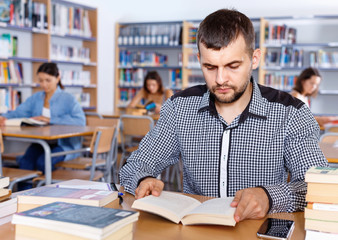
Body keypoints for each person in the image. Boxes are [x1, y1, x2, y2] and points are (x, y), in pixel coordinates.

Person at [119, 9, 327, 223]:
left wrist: (270, 197)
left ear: (254, 59)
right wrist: (143, 178)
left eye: (232, 66)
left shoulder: (291, 113)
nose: (220, 79)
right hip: (195, 234)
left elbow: (318, 187)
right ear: (199, 59)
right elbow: (137, 163)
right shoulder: (178, 108)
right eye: (210, 67)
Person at [0, 62, 85, 173]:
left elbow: (80, 121)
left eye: (48, 80)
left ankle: (48, 189)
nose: (44, 84)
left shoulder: (69, 99)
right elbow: (19, 112)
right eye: (41, 80)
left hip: (64, 145)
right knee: (26, 162)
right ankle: (26, 191)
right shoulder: (36, 98)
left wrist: (50, 119)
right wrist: (4, 117)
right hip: (42, 143)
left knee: (43, 162)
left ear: (58, 77)